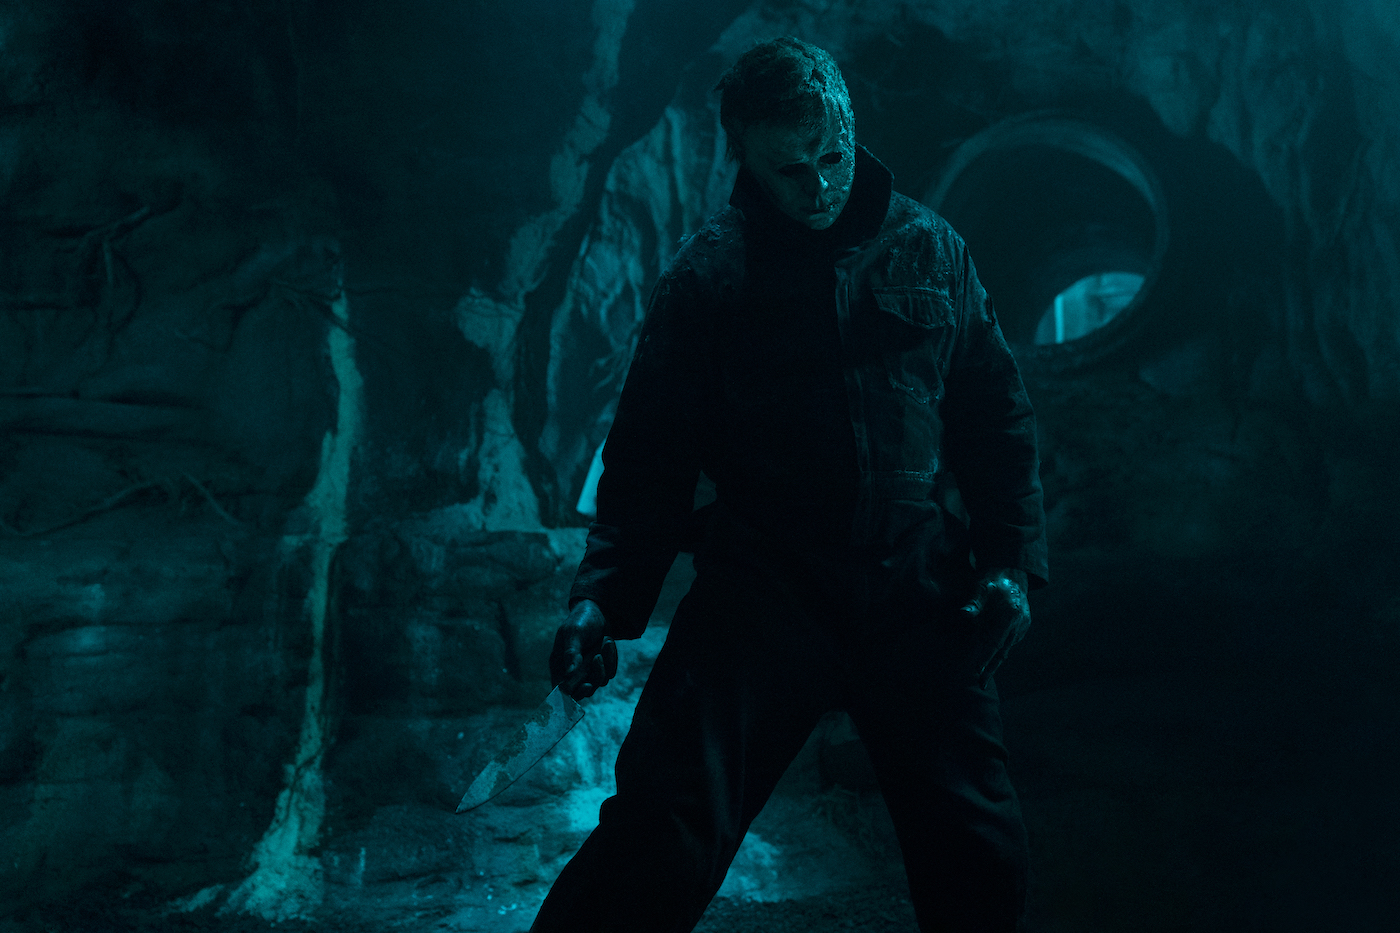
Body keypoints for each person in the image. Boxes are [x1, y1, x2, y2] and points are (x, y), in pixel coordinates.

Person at [531, 37, 1048, 933]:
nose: (818, 186)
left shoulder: (932, 251)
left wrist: (1010, 562)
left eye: (830, 156)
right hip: (765, 588)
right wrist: (601, 600)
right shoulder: (709, 276)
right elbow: (650, 456)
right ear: (745, 156)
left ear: (848, 124)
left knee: (977, 844)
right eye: (789, 169)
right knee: (664, 823)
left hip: (913, 584)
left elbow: (995, 418)